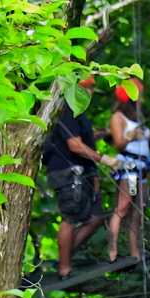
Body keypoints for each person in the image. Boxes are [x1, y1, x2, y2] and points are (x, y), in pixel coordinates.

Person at [42, 76, 121, 278]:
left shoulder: (79, 112)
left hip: (82, 172)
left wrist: (98, 135)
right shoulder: (66, 109)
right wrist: (103, 159)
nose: (91, 93)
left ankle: (65, 257)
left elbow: (79, 138)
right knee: (70, 218)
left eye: (92, 89)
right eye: (87, 89)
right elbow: (74, 145)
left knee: (94, 218)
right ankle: (64, 268)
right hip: (68, 172)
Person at [107, 78, 150, 262]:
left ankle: (135, 253)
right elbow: (118, 143)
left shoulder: (138, 117)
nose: (142, 98)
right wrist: (132, 136)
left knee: (138, 210)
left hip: (143, 168)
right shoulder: (118, 117)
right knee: (123, 207)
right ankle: (113, 251)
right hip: (130, 168)